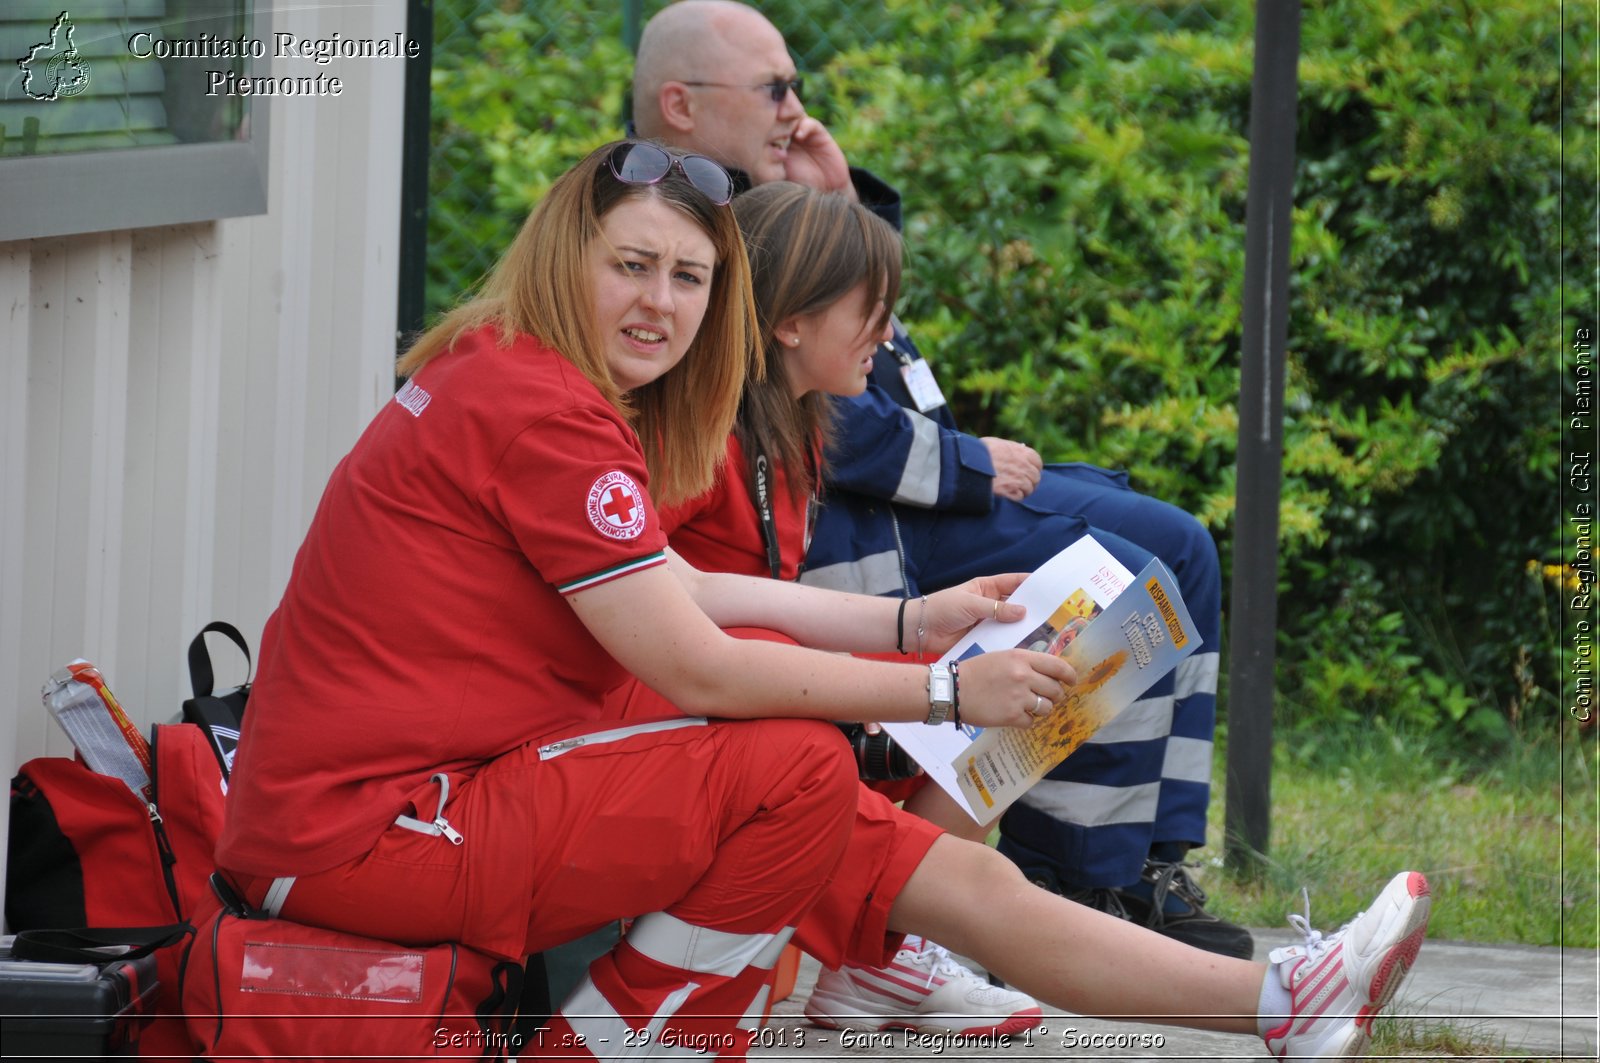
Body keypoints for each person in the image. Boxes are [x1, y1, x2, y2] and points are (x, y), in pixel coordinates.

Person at [217, 139, 1432, 1063]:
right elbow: (699, 657)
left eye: (690, 277)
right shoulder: (553, 411)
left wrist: (914, 626)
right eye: (632, 265)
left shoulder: (535, 379)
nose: (663, 303)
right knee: (806, 769)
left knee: (894, 821)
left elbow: (686, 601)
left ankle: (1279, 1001)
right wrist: (948, 685)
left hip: (442, 784)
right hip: (381, 825)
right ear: (564, 259)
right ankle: (643, 1034)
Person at [632, 0, 1252, 961]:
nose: (798, 108)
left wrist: (843, 200)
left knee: (1157, 576)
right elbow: (845, 420)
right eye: (775, 86)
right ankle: (1022, 892)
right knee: (1104, 620)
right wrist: (934, 672)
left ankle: (1116, 872)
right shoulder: (666, 258)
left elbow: (869, 353)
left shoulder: (786, 387)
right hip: (804, 660)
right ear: (680, 102)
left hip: (846, 612)